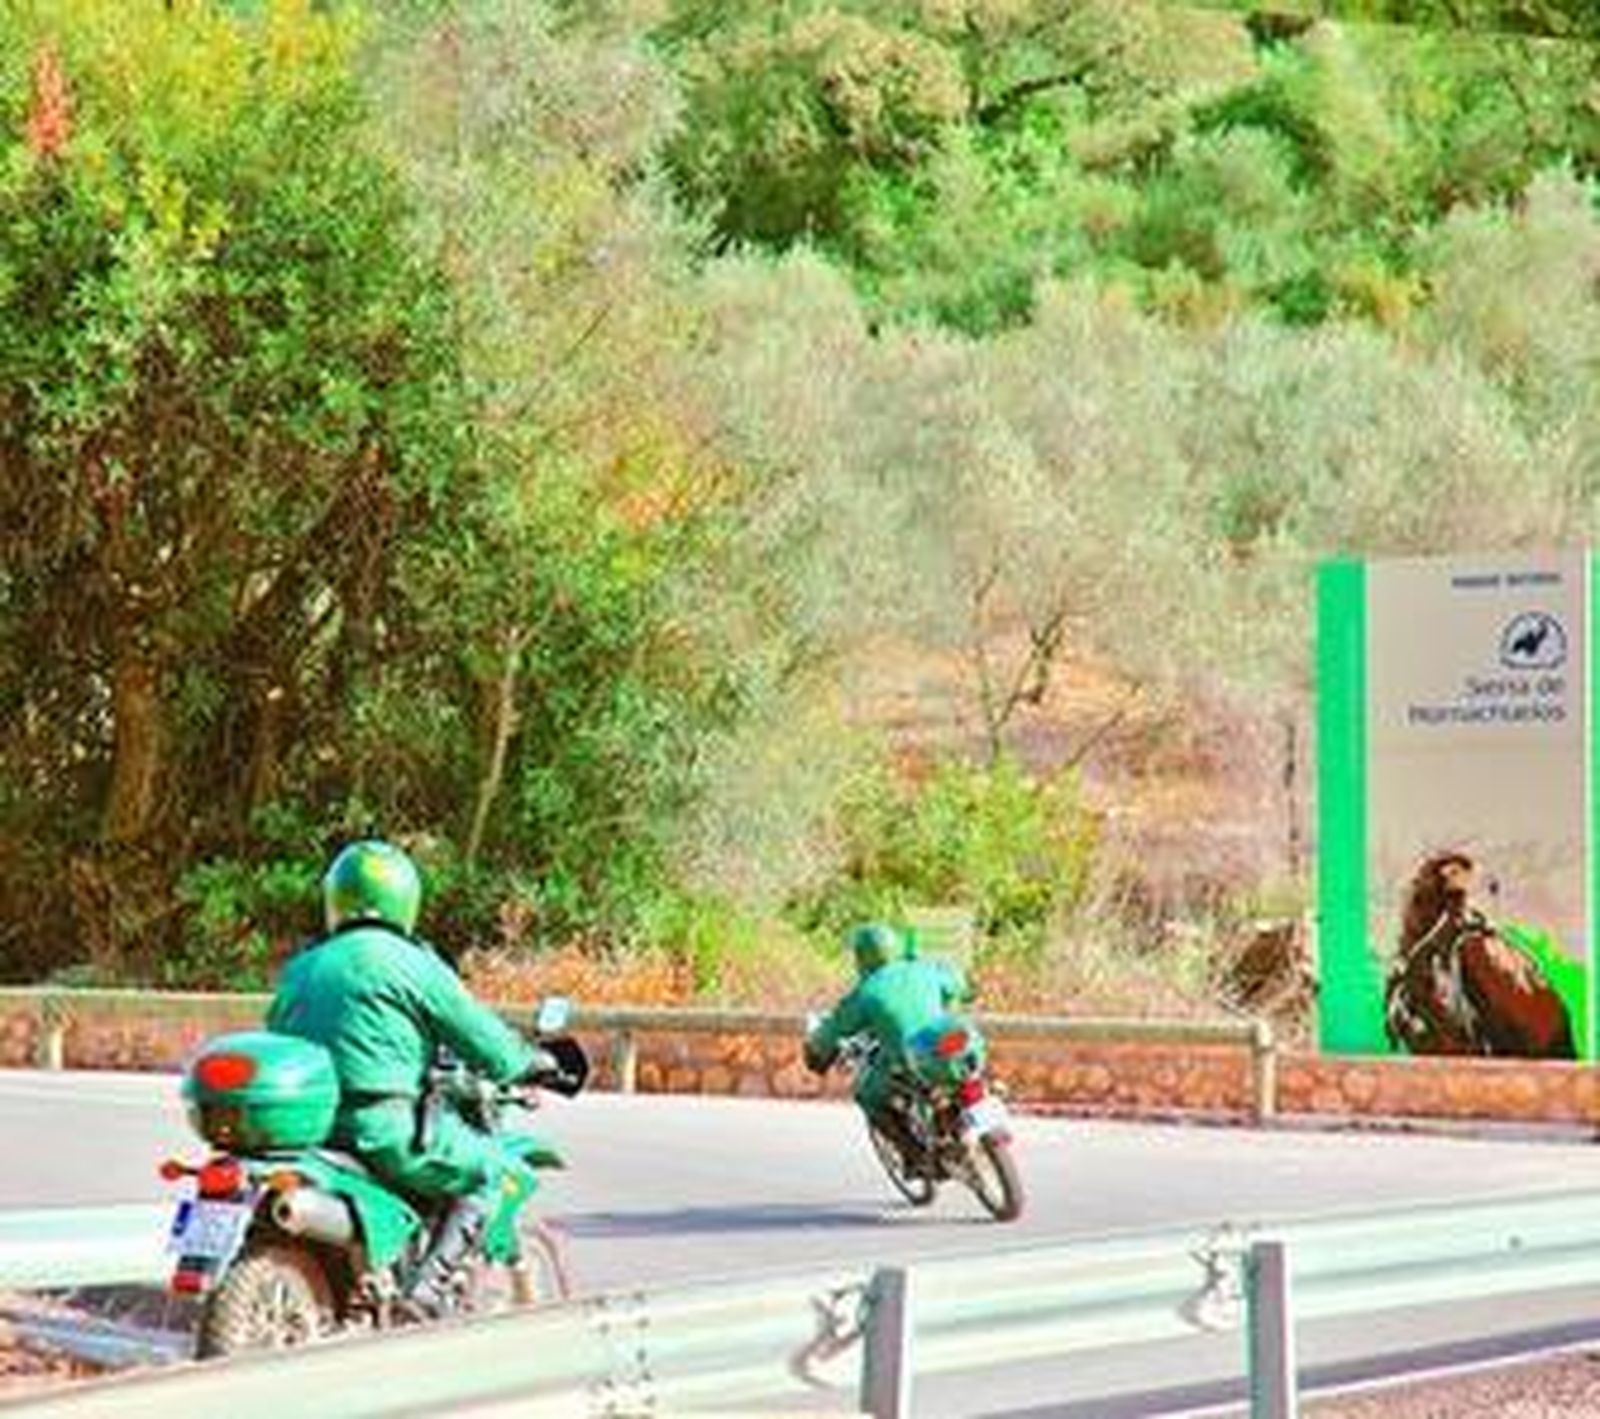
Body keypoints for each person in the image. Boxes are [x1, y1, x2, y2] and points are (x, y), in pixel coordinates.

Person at [267, 838, 544, 1318]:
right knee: (490, 1171)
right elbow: (477, 1033)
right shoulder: (411, 962)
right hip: (383, 1130)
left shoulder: (303, 967)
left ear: (336, 897)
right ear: (405, 899)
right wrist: (526, 1063)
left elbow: (277, 1031)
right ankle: (427, 1291)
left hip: (309, 1130)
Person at [803, 921, 973, 1169]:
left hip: (914, 1057)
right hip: (956, 1040)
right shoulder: (924, 969)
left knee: (868, 1095)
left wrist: (815, 1056)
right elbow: (959, 984)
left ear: (862, 957)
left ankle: (917, 1156)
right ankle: (953, 1120)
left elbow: (831, 1032)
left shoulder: (867, 992)